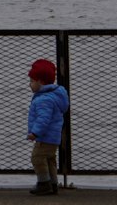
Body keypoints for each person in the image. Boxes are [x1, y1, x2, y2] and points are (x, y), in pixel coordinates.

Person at [26, 57, 69, 195]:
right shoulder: (53, 96)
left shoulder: (44, 100)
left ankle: (44, 183)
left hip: (45, 137)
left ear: (41, 82)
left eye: (32, 81)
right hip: (54, 137)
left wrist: (35, 133)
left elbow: (43, 119)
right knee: (50, 160)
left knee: (37, 158)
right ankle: (53, 184)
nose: (30, 84)